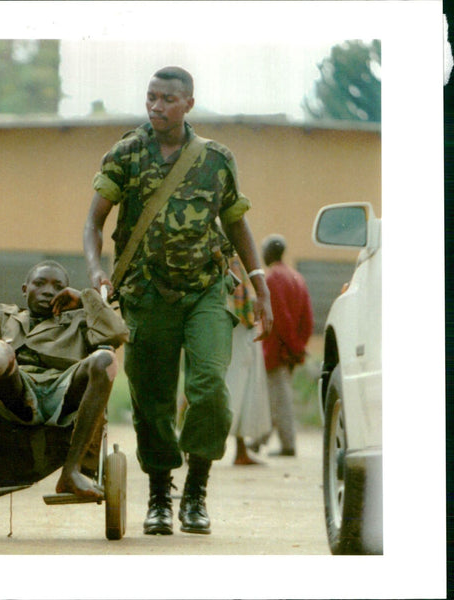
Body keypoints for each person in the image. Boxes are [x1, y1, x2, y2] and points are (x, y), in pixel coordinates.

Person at [83, 66, 273, 536]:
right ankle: (159, 494)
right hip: (145, 294)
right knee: (152, 401)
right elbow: (94, 222)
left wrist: (258, 281)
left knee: (209, 387)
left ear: (189, 103)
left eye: (168, 99)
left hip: (206, 289)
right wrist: (96, 270)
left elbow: (236, 222)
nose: (157, 106)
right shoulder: (126, 153)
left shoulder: (215, 159)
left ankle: (196, 492)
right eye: (151, 97)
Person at [0, 260, 128, 499]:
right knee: (2, 350)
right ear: (25, 289)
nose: (48, 290)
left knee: (106, 360)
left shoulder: (81, 320)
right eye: (39, 283)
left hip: (65, 393)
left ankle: (71, 472)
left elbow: (118, 333)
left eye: (58, 286)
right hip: (14, 391)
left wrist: (85, 299)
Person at [254, 234, 314, 457]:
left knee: (280, 399)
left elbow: (280, 318)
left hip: (277, 350)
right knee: (276, 397)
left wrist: (293, 347)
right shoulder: (297, 278)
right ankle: (260, 440)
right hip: (289, 350)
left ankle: (287, 445)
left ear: (270, 253)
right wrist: (299, 346)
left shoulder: (272, 279)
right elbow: (307, 319)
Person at [225, 257, 271, 465]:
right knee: (238, 392)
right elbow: (242, 305)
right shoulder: (233, 262)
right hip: (237, 336)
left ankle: (240, 451)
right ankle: (239, 451)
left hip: (226, 334)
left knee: (236, 393)